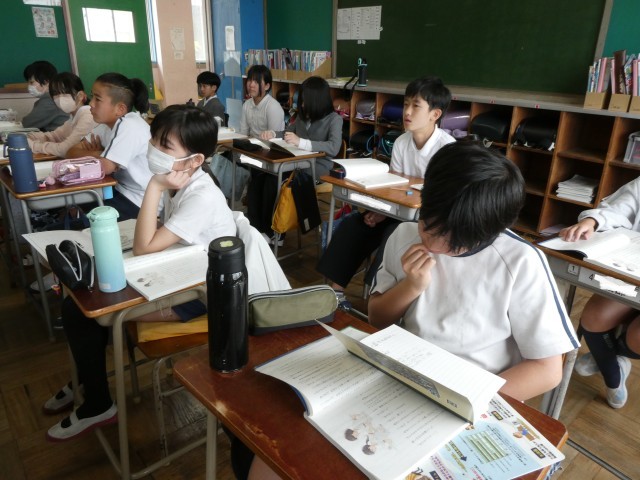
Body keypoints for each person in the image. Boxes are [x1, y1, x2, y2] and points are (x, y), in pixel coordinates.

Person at [44, 104, 236, 442]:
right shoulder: (184, 181)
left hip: (201, 295)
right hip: (177, 272)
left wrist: (154, 186)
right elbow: (157, 235)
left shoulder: (201, 195)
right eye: (154, 139)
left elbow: (146, 247)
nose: (153, 149)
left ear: (195, 160)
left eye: (165, 145)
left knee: (83, 310)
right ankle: (87, 381)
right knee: (84, 299)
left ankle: (97, 400)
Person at [368, 141, 579, 401]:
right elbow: (377, 319)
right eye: (427, 226)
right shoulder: (403, 235)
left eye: (453, 241)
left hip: (478, 393)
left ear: (490, 231)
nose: (433, 245)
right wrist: (411, 286)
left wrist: (467, 402)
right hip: (409, 377)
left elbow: (547, 370)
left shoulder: (520, 262)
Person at [316, 76, 455, 307]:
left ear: (435, 114)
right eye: (406, 104)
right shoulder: (401, 142)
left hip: (427, 222)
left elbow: (444, 200)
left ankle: (376, 302)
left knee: (393, 234)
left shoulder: (447, 149)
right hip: (397, 212)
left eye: (416, 106)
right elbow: (394, 186)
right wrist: (380, 212)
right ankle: (335, 294)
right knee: (354, 225)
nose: (407, 112)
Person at [559, 177, 640, 408]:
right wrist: (593, 221)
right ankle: (613, 372)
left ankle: (604, 356)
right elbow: (621, 208)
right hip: (631, 269)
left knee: (637, 338)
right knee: (594, 317)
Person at [249, 75, 342, 243]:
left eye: (305, 100)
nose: (302, 104)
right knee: (260, 177)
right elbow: (288, 132)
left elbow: (334, 147)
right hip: (296, 164)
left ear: (317, 100)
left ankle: (275, 233)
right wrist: (273, 134)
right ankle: (256, 228)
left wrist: (302, 142)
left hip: (318, 168)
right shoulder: (302, 116)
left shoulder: (334, 119)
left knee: (275, 181)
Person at [66, 72, 154, 220]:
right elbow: (70, 152)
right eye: (92, 97)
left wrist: (102, 157)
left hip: (141, 203)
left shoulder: (129, 125)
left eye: (97, 99)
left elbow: (105, 167)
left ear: (120, 109)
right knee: (74, 205)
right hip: (119, 192)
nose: (91, 104)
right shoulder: (105, 126)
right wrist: (99, 154)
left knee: (76, 221)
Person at [26, 72, 97, 157]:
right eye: (56, 94)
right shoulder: (74, 117)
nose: (60, 98)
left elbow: (65, 149)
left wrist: (33, 146)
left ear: (80, 95)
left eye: (65, 93)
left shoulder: (88, 115)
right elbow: (53, 136)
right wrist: (27, 137)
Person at [22, 60, 69, 131]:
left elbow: (28, 123)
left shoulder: (50, 99)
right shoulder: (58, 94)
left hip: (61, 137)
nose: (29, 86)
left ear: (46, 81)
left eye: (31, 82)